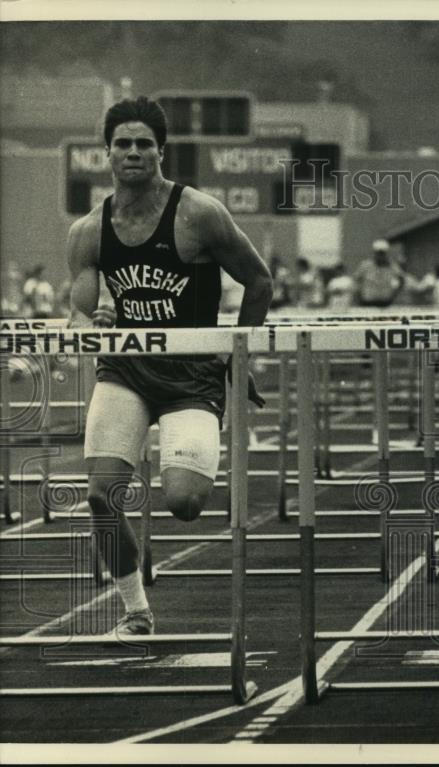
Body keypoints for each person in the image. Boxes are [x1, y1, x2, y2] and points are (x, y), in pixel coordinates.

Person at [66, 96, 273, 635]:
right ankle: (137, 613)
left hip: (192, 378)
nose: (132, 153)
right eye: (122, 144)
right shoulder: (89, 230)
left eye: (143, 144)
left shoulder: (199, 213)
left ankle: (183, 458)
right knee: (99, 496)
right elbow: (79, 311)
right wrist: (91, 327)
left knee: (184, 503)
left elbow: (259, 279)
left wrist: (238, 354)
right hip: (126, 375)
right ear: (106, 154)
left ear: (161, 151)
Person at [353, 239, 405, 308]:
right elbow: (356, 280)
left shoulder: (392, 266)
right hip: (367, 302)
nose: (380, 255)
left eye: (382, 253)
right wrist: (358, 296)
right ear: (374, 253)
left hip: (385, 303)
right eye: (378, 253)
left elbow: (401, 279)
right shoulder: (365, 265)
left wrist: (394, 294)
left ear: (386, 253)